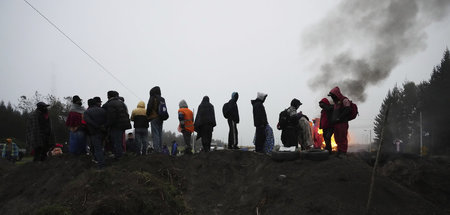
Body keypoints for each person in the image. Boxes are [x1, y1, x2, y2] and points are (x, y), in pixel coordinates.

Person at [102, 90, 131, 160]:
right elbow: (127, 114)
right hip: (123, 125)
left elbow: (111, 117)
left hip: (116, 125)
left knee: (116, 141)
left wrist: (106, 125)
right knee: (120, 141)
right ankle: (120, 154)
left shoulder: (110, 104)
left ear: (109, 96)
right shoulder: (122, 103)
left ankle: (118, 157)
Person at [84, 98, 107, 168]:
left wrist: (96, 126)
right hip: (103, 132)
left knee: (98, 149)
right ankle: (104, 160)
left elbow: (88, 121)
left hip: (94, 132)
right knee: (102, 146)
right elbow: (107, 119)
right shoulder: (103, 110)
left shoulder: (87, 112)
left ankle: (101, 165)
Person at [328, 86, 351, 158]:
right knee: (337, 137)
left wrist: (339, 118)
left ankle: (343, 152)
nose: (332, 97)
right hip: (336, 123)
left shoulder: (344, 100)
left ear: (336, 94)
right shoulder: (336, 103)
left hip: (342, 123)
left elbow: (348, 110)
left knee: (342, 137)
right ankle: (339, 151)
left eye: (332, 96)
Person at [146, 86, 167, 153]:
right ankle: (160, 149)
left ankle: (156, 150)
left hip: (154, 118)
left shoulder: (153, 98)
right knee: (160, 133)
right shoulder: (162, 99)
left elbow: (149, 108)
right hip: (161, 118)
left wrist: (148, 115)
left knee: (155, 134)